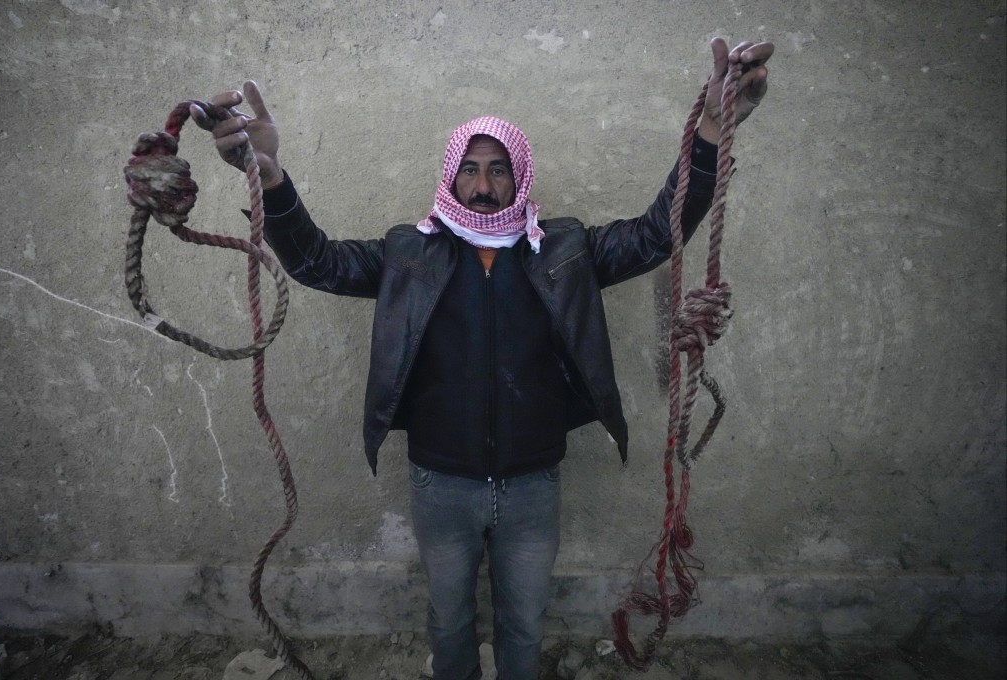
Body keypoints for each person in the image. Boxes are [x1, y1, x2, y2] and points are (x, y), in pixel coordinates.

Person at [192, 37, 773, 680]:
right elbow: (316, 263)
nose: (483, 186)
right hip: (440, 483)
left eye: (498, 170)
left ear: (518, 176)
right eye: (469, 169)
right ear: (451, 177)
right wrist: (269, 177)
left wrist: (712, 130)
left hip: (533, 484)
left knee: (525, 624)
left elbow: (657, 233)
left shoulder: (564, 250)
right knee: (450, 622)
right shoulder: (408, 254)